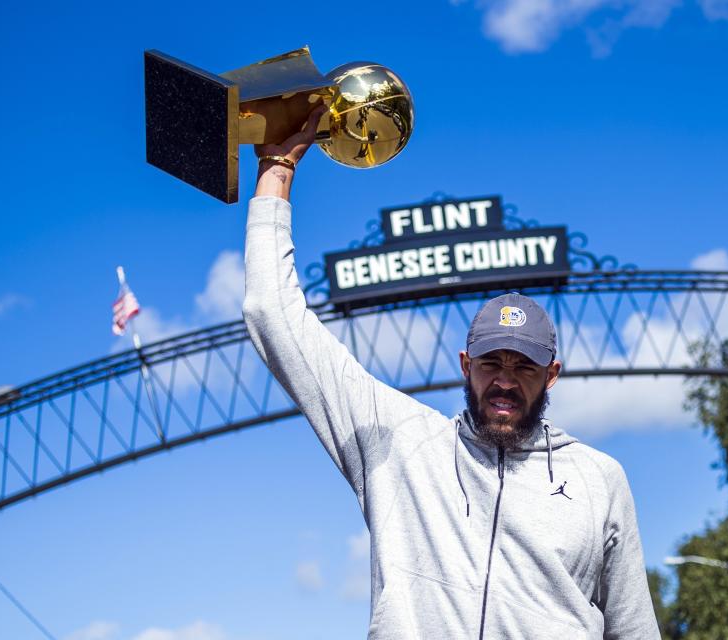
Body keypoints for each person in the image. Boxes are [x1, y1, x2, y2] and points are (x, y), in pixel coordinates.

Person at [242, 106, 660, 639]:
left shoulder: (599, 479)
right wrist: (277, 172)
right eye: (491, 362)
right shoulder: (399, 443)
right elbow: (272, 316)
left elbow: (634, 632)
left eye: (523, 366)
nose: (505, 380)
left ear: (551, 375)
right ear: (466, 366)